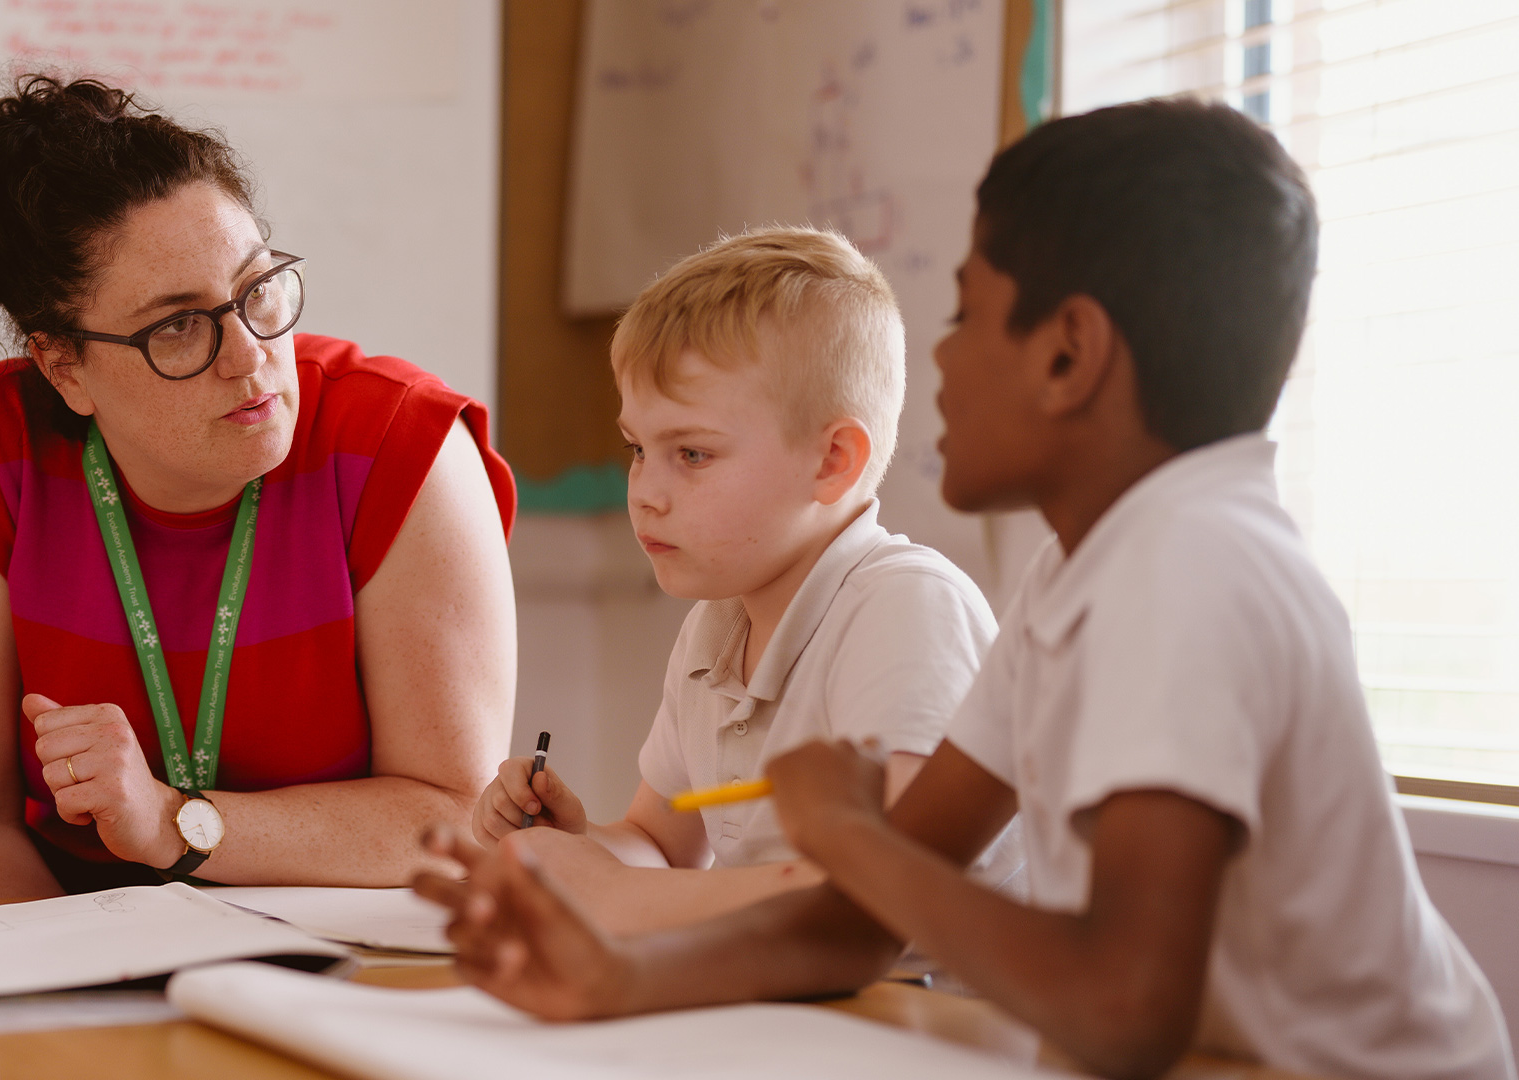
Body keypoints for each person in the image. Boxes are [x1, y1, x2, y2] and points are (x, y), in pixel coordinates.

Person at [415, 99, 1515, 1080]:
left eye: (967, 315)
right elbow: (860, 920)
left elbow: (1123, 1009)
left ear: (1068, 355)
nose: (938, 362)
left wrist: (852, 841)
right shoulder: (1080, 573)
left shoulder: (1192, 568)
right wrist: (619, 980)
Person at [0, 76, 517, 899]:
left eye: (257, 289)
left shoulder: (404, 446)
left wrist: (174, 822)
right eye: (179, 326)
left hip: (348, 951)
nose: (250, 355)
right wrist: (85, 974)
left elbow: (454, 816)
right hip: (81, 943)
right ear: (63, 367)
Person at [467, 228, 1013, 935]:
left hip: (922, 998)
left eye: (692, 454)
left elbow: (891, 890)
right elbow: (662, 848)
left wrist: (615, 894)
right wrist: (578, 848)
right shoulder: (717, 627)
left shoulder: (907, 610)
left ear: (832, 462)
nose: (645, 493)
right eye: (638, 449)